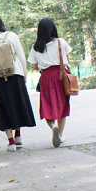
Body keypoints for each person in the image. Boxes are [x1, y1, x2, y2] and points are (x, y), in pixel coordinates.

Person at [0, 13, 36, 151]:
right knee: (18, 104)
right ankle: (18, 136)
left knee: (3, 107)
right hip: (15, 73)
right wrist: (24, 74)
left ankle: (10, 141)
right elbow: (21, 55)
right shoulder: (12, 36)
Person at [27, 18, 71, 148]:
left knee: (46, 105)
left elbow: (34, 66)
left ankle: (53, 127)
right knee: (62, 106)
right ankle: (61, 135)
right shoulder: (60, 42)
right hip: (61, 75)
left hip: (46, 77)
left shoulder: (36, 47)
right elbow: (67, 59)